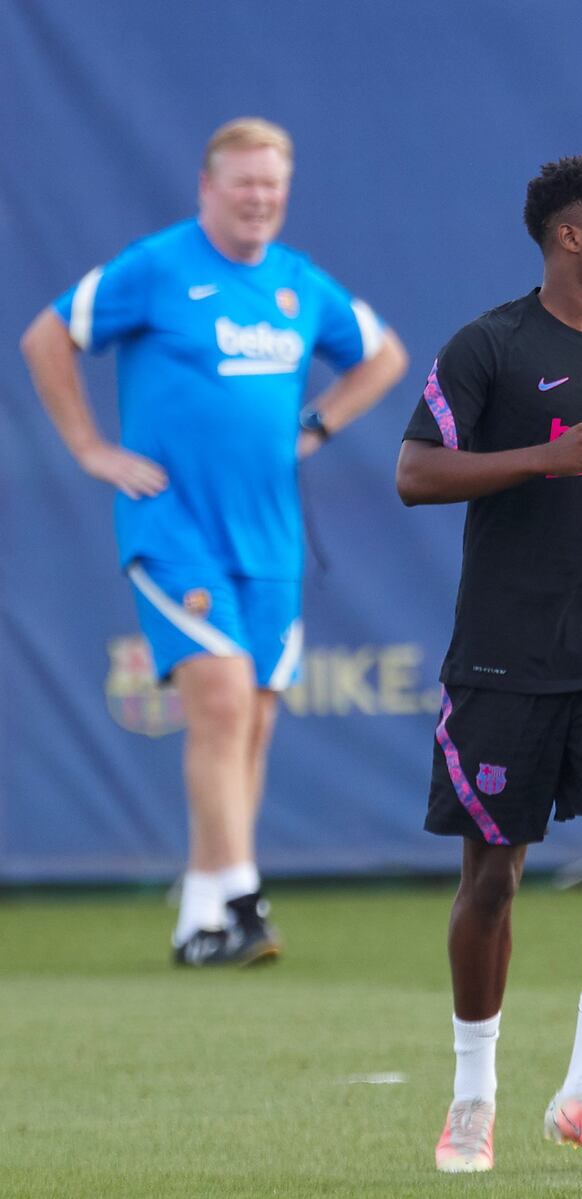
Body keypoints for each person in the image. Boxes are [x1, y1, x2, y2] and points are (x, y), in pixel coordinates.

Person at [21, 117, 408, 967]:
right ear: (207, 187)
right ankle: (241, 897)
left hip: (270, 536)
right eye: (243, 183)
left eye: (272, 185)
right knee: (224, 698)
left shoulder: (298, 284)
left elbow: (382, 356)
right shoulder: (157, 267)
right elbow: (48, 335)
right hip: (173, 528)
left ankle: (201, 916)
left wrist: (320, 424)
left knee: (255, 719)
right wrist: (90, 447)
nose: (259, 198)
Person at [396, 153, 582, 1172]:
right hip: (505, 661)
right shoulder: (489, 346)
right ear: (569, 237)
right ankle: (472, 1095)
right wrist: (541, 459)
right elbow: (414, 471)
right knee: (491, 883)